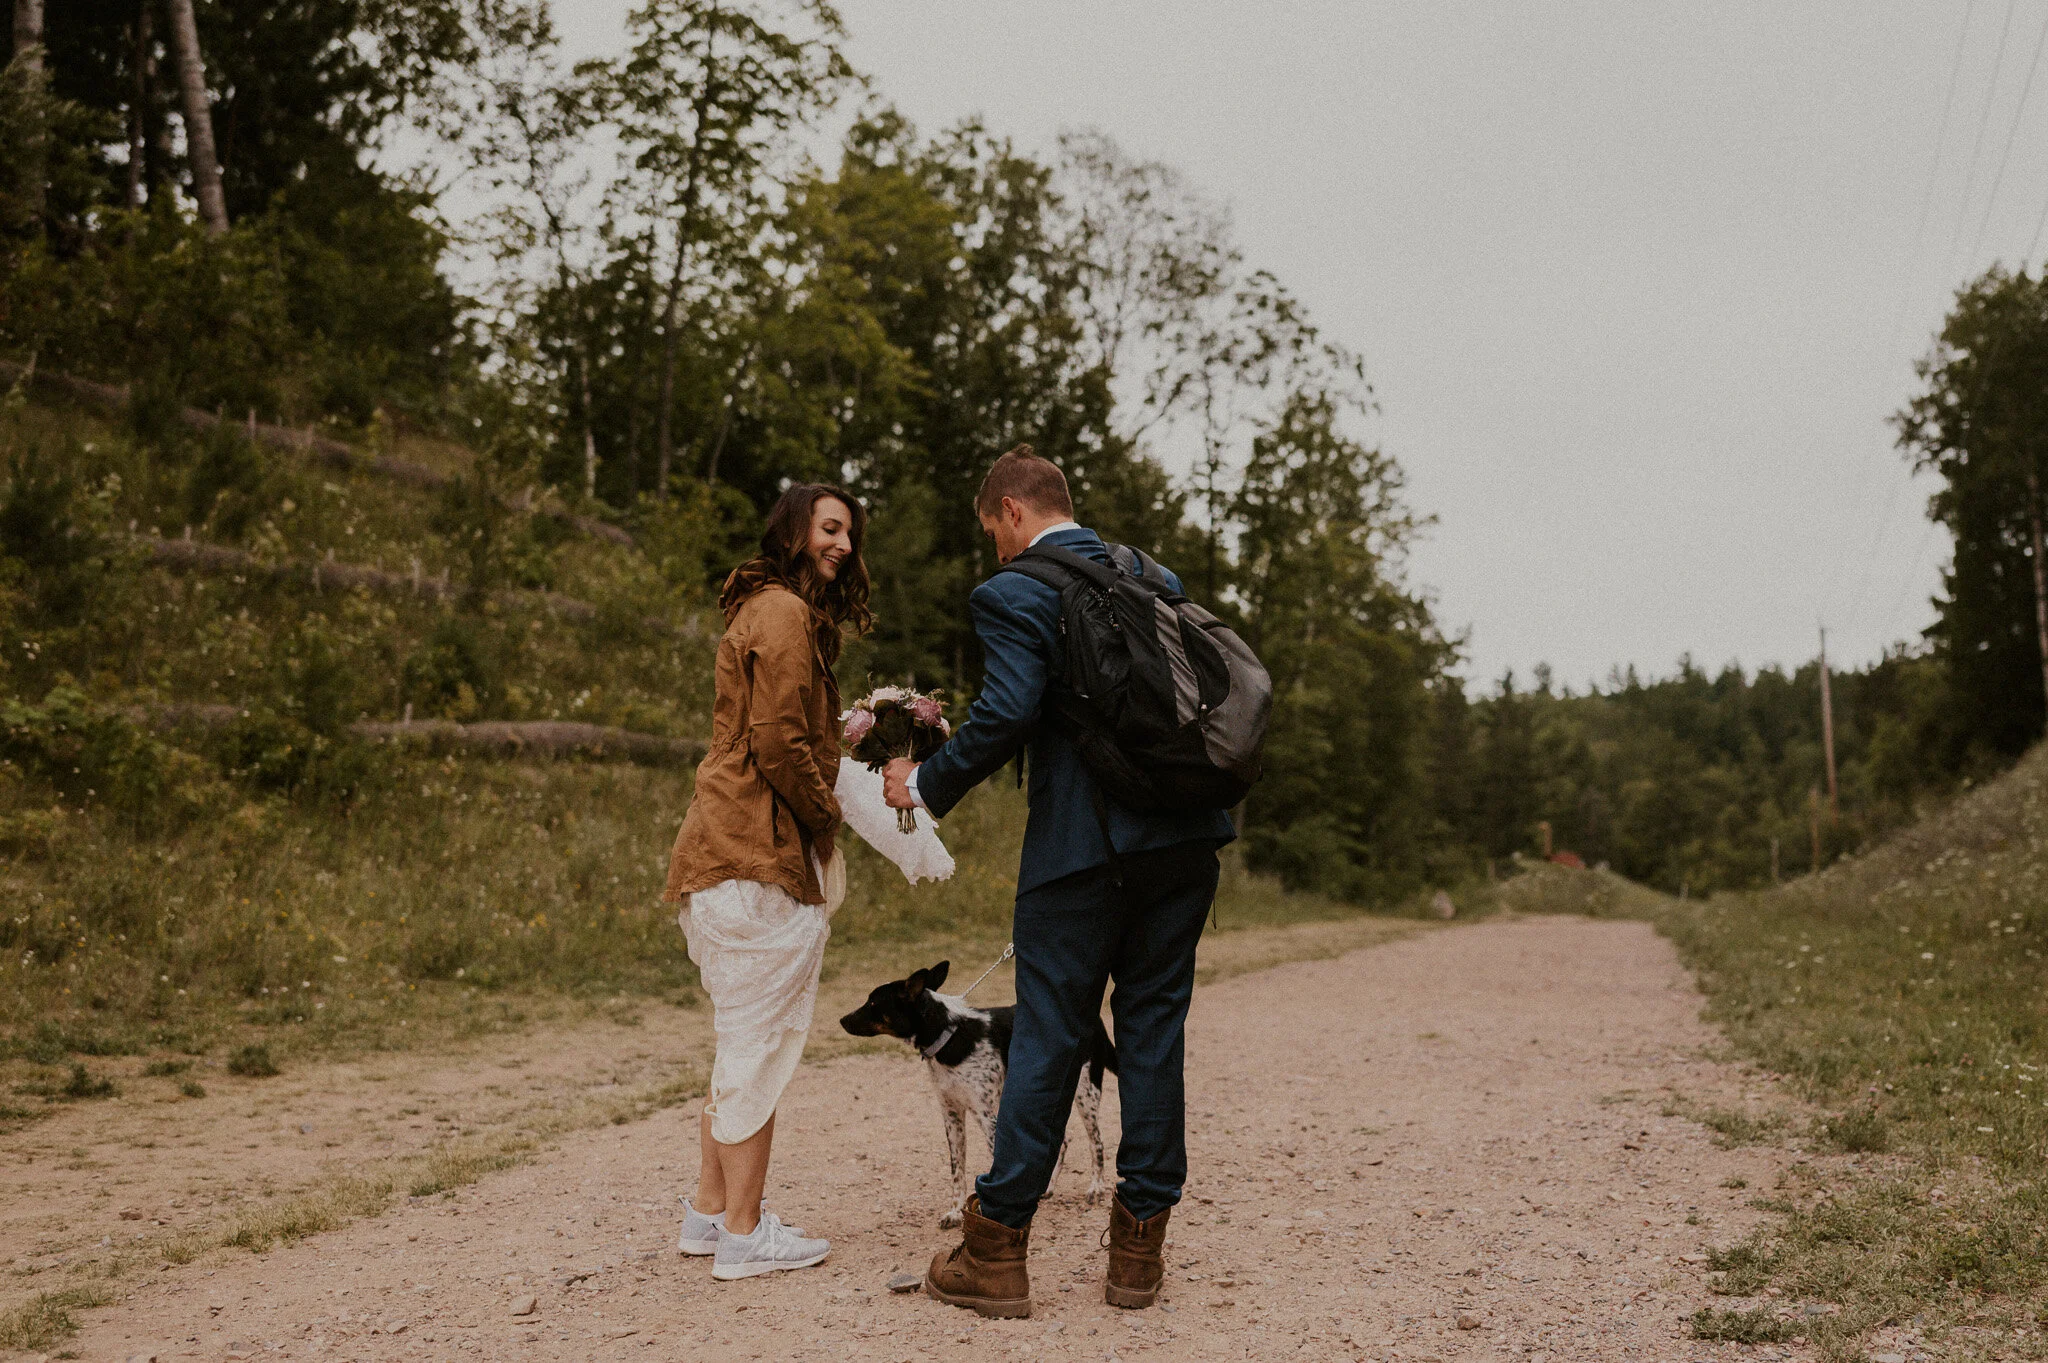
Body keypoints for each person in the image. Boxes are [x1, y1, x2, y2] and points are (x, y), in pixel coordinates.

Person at [883, 446, 1236, 1318]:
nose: (997, 555)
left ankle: (996, 1249)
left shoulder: (1014, 591)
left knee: (1048, 1030)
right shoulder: (1151, 573)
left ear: (1010, 510)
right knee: (1152, 1028)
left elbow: (1006, 711)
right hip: (1184, 842)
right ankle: (1139, 1255)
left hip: (1081, 854)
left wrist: (921, 785)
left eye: (993, 535)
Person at [664, 483, 869, 1281]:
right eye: (829, 528)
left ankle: (709, 1214)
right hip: (754, 854)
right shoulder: (784, 614)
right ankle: (746, 1235)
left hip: (720, 851)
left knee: (739, 1039)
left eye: (849, 532)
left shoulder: (765, 610)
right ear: (792, 533)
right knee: (759, 1047)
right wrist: (828, 818)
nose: (844, 544)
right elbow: (782, 742)